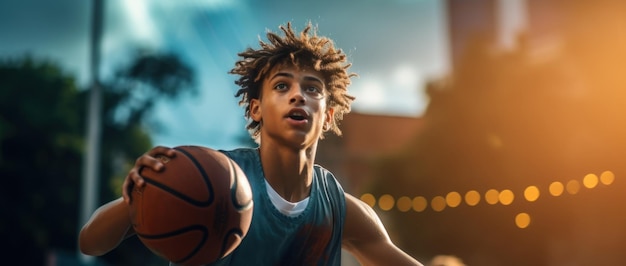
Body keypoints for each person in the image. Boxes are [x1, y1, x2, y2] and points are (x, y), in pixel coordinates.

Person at [79, 21, 423, 266]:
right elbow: (90, 243)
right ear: (256, 109)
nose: (298, 96)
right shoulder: (209, 179)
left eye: (312, 88)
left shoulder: (338, 207)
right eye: (282, 86)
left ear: (329, 115)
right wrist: (139, 194)